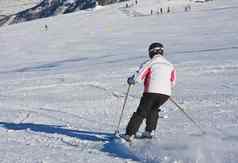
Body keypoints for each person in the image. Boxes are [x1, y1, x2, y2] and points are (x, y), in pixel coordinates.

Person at [120, 42, 176, 141]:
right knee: (153, 110)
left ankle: (129, 134)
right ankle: (149, 132)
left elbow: (139, 76)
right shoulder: (170, 65)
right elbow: (173, 81)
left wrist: (132, 80)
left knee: (141, 112)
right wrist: (164, 90)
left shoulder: (150, 62)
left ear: (151, 52)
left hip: (151, 91)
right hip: (165, 93)